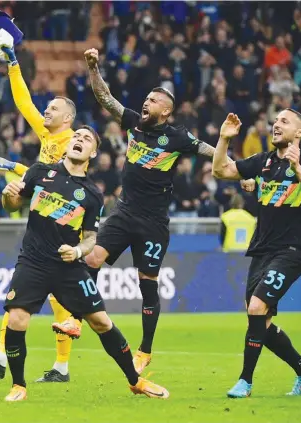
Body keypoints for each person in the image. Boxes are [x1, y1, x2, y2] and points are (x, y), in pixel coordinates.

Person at [53, 48, 222, 376]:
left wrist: (236, 167)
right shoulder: (133, 122)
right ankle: (75, 317)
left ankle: (145, 349)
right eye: (146, 98)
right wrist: (93, 67)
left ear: (167, 110)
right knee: (90, 260)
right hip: (124, 212)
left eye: (154, 101)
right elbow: (104, 97)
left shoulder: (177, 138)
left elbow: (212, 153)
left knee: (147, 283)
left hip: (153, 222)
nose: (146, 103)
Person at [0, 126, 169, 401]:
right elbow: (13, 205)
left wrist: (78, 251)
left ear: (93, 152)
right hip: (33, 262)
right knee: (17, 319)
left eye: (87, 139)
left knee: (101, 322)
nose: (79, 140)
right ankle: (18, 385)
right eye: (76, 136)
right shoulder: (40, 172)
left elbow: (91, 238)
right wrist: (8, 196)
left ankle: (136, 381)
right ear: (67, 146)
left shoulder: (91, 194)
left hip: (68, 267)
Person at [0, 28, 85, 383]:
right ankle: (24, 362)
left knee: (58, 300)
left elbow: (52, 175)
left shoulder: (73, 143)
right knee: (45, 296)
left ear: (68, 118)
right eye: (47, 108)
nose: (45, 111)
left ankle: (22, 361)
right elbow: (24, 103)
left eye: (53, 109)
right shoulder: (50, 136)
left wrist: (13, 166)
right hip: (44, 223)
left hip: (65, 227)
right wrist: (13, 62)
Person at [212, 110, 301, 398]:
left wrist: (298, 168)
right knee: (260, 321)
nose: (276, 124)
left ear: (300, 133)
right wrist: (224, 140)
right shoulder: (262, 162)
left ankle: (245, 382)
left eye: (285, 121)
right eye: (275, 121)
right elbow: (220, 171)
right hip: (262, 251)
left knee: (255, 308)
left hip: (290, 251)